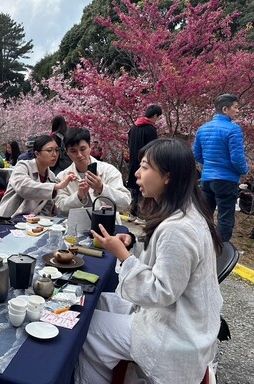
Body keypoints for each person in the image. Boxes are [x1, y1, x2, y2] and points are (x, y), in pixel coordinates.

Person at [75, 138, 223, 384]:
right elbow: (167, 263)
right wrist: (131, 242)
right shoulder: (187, 212)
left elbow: (160, 292)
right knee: (96, 302)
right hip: (180, 319)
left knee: (87, 330)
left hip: (175, 334)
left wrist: (122, 255)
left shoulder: (179, 228)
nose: (136, 173)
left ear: (167, 177)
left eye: (144, 167)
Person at [193, 94, 249, 242]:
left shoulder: (202, 128)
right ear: (225, 109)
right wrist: (244, 171)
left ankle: (201, 244)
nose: (238, 111)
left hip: (207, 178)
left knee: (205, 214)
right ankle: (221, 250)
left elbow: (196, 154)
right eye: (235, 107)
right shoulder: (233, 130)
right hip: (227, 179)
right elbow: (237, 158)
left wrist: (210, 164)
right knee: (225, 217)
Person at [55, 128, 131, 216]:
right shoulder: (62, 177)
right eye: (73, 151)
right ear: (67, 152)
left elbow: (125, 203)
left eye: (83, 149)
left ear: (90, 147)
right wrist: (79, 197)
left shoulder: (109, 171)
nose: (79, 155)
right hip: (76, 227)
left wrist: (101, 188)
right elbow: (60, 208)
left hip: (107, 226)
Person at [0, 135, 75, 218]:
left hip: (31, 224)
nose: (55, 154)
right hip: (8, 219)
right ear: (37, 154)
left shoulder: (51, 176)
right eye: (49, 150)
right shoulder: (23, 166)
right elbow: (23, 187)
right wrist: (56, 186)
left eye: (57, 150)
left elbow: (47, 208)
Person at [126, 104, 162, 223]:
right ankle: (141, 216)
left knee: (135, 187)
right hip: (145, 163)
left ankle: (132, 213)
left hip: (133, 161)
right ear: (155, 115)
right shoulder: (150, 129)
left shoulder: (134, 127)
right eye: (158, 117)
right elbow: (153, 148)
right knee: (144, 188)